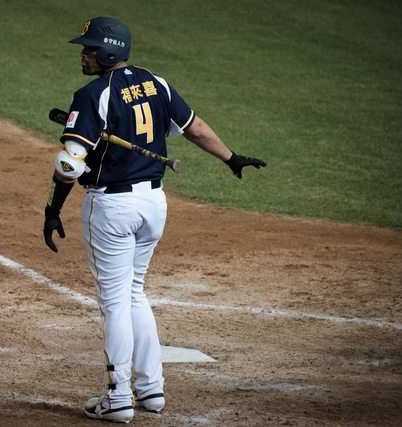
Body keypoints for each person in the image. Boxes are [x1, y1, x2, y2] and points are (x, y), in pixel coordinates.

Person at [43, 17, 266, 423]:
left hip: (112, 209)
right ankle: (151, 389)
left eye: (89, 48)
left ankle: (118, 397)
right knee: (133, 292)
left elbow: (69, 164)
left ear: (107, 52)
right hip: (154, 204)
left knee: (114, 303)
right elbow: (194, 127)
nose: (83, 54)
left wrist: (53, 207)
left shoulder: (93, 94)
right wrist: (230, 157)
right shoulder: (155, 83)